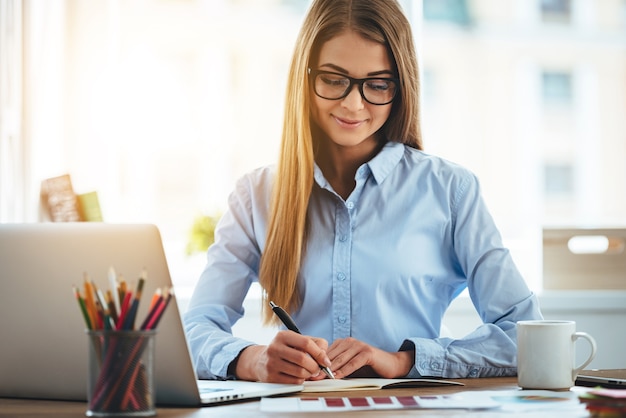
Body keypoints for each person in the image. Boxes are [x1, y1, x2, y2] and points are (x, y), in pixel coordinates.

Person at [184, 0, 543, 384]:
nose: (353, 104)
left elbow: (527, 337)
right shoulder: (256, 195)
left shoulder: (450, 191)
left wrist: (403, 361)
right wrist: (250, 360)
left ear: (400, 86)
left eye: (377, 84)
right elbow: (193, 331)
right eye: (334, 79)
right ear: (305, 77)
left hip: (406, 410)